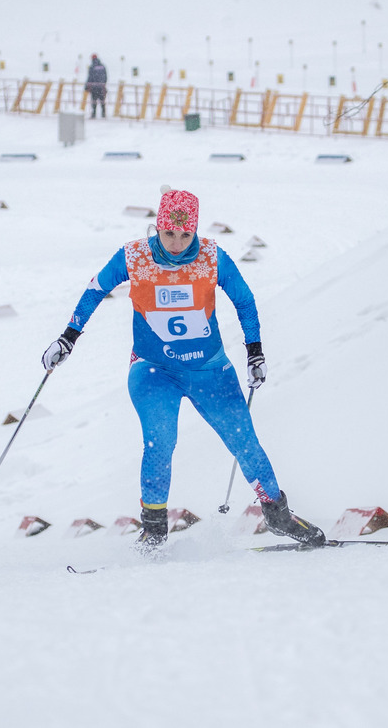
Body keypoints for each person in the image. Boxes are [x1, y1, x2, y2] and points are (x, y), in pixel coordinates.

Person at [41, 187, 326, 552]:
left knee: (245, 443)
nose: (176, 244)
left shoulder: (212, 257)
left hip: (211, 371)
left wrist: (254, 352)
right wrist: (68, 338)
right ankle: (154, 528)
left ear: (195, 231)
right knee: (160, 441)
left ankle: (277, 514)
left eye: (185, 234)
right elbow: (95, 290)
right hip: (153, 370)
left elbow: (244, 300)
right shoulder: (134, 256)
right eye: (168, 233)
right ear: (157, 227)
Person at [85, 54, 108, 119]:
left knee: (94, 101)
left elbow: (90, 77)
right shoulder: (102, 66)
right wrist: (103, 84)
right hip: (101, 87)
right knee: (102, 101)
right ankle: (103, 114)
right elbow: (105, 76)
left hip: (94, 87)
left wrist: (87, 86)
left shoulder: (92, 67)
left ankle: (94, 114)